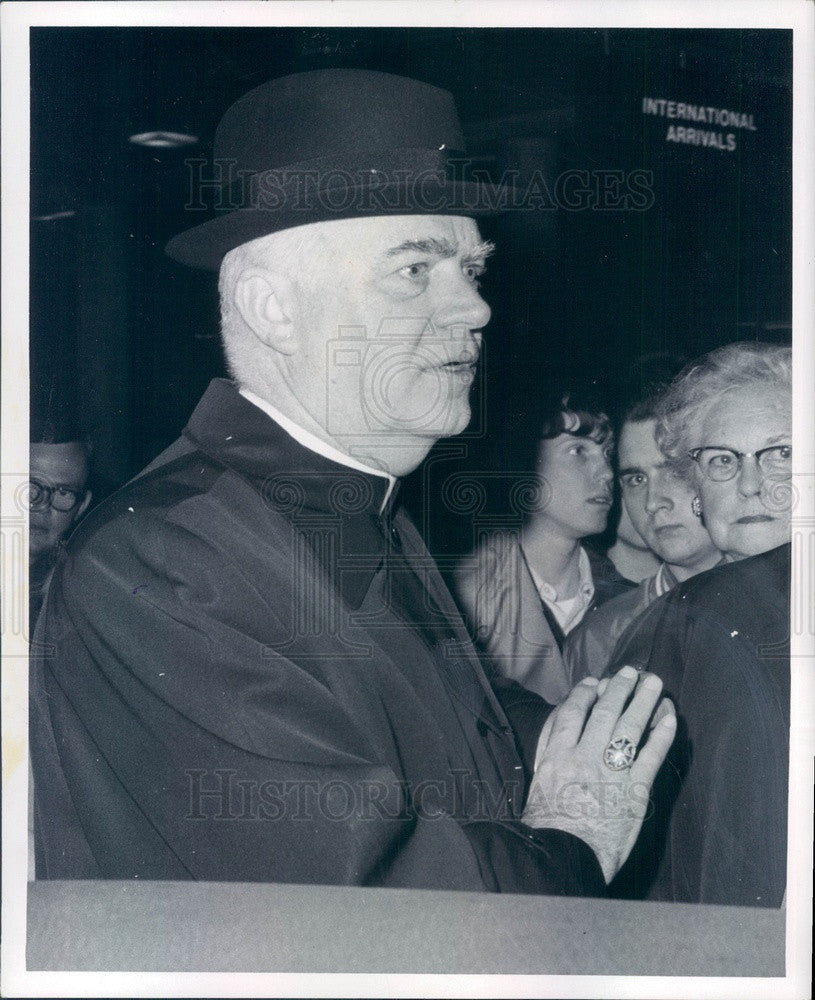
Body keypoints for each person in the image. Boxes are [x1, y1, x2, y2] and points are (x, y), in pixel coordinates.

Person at [30, 69, 675, 893]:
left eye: (471, 271)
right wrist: (576, 843)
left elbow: (474, 741)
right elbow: (358, 896)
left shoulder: (355, 506)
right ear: (273, 309)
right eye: (415, 272)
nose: (474, 310)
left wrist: (616, 744)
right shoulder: (167, 558)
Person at [641, 342, 792, 906]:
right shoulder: (678, 616)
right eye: (723, 461)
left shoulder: (712, 613)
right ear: (696, 490)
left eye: (780, 453)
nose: (750, 484)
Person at [454, 390, 633, 704]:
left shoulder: (629, 599)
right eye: (578, 451)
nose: (606, 473)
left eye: (607, 454)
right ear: (524, 461)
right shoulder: (463, 597)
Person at [563, 393, 722, 683]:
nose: (652, 502)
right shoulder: (598, 639)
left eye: (674, 472)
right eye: (636, 480)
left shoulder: (784, 599)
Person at [29, 417, 92, 637]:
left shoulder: (83, 594)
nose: (40, 506)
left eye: (63, 492)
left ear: (82, 506)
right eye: (29, 486)